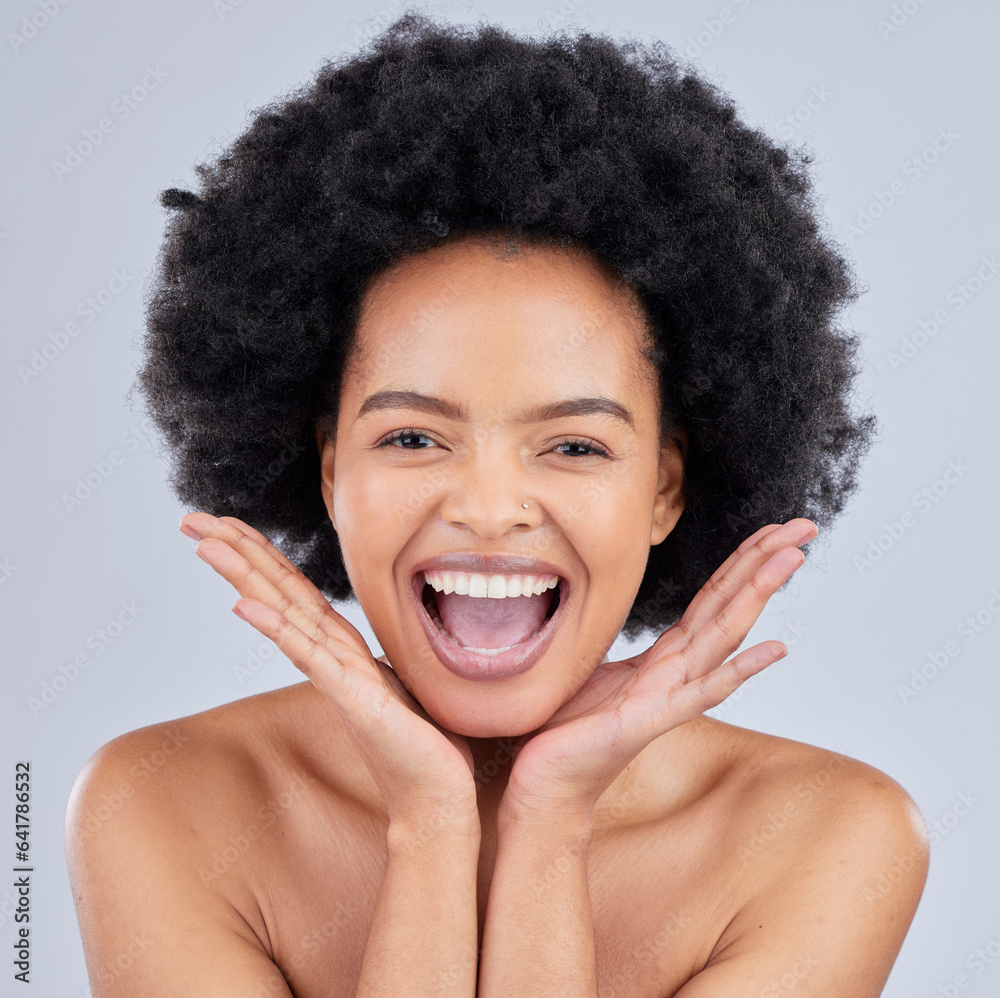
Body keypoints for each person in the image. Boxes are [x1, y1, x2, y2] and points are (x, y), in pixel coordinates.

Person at [65, 13, 928, 996]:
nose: (487, 506)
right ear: (328, 467)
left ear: (666, 486)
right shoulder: (162, 801)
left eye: (572, 444)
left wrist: (549, 822)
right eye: (412, 436)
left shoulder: (827, 835)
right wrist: (428, 824)